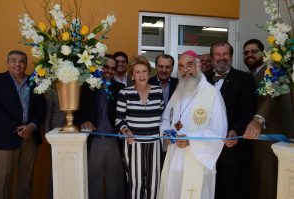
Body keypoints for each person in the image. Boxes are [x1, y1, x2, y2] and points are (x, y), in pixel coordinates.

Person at [158, 50, 227, 199]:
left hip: (198, 159)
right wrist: (166, 134)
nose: (185, 70)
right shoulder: (178, 92)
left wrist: (191, 140)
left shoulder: (212, 93)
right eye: (181, 66)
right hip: (174, 157)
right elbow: (165, 120)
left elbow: (219, 130)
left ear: (198, 66)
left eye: (189, 65)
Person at [206, 42, 256, 199]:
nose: (221, 58)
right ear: (212, 58)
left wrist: (235, 130)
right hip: (207, 150)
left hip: (233, 150)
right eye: (217, 54)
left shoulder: (245, 78)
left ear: (231, 56)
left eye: (225, 54)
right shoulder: (203, 79)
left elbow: (248, 111)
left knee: (232, 191)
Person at [0, 50, 46, 199]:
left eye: (22, 61)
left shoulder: (34, 82)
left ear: (26, 63)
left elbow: (41, 107)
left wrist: (32, 126)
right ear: (7, 63)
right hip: (5, 137)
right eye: (14, 60)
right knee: (2, 181)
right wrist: (15, 128)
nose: (18, 64)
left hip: (30, 136)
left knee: (26, 181)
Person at [75, 54, 125, 199]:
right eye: (106, 67)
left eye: (113, 69)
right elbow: (75, 112)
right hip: (94, 139)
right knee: (93, 178)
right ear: (99, 67)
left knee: (115, 179)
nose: (109, 71)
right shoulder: (87, 86)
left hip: (114, 139)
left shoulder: (120, 88)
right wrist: (83, 120)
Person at [116, 55, 164, 199]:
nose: (141, 75)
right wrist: (126, 130)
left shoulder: (157, 91)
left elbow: (162, 117)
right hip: (133, 143)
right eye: (137, 72)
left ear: (149, 73)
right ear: (132, 74)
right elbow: (119, 119)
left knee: (154, 183)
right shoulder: (125, 93)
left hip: (155, 143)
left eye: (144, 71)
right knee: (135, 183)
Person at [243, 39, 284, 199]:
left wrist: (258, 120)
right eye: (246, 53)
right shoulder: (248, 76)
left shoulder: (273, 71)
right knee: (254, 185)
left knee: (267, 187)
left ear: (263, 53)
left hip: (268, 141)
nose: (250, 55)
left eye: (254, 51)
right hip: (251, 142)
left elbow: (272, 98)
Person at [44, 88, 66, 199]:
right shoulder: (53, 86)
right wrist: (47, 132)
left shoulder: (84, 81)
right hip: (57, 131)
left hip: (79, 131)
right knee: (56, 171)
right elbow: (48, 110)